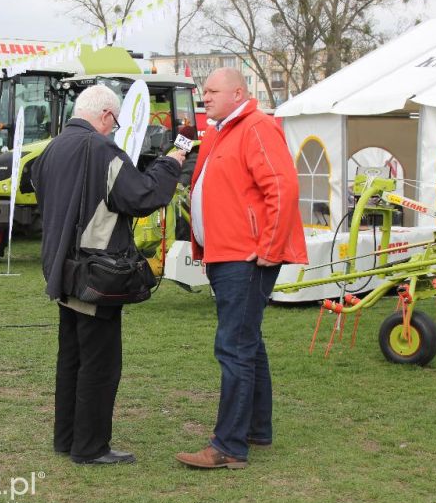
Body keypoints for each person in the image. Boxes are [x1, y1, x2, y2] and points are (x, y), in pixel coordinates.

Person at [31, 85, 186, 465]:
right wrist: (171, 163)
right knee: (100, 363)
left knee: (71, 358)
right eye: (114, 123)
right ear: (104, 116)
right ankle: (90, 447)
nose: (114, 131)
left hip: (62, 270)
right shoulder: (100, 150)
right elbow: (142, 197)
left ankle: (67, 439)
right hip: (94, 273)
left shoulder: (51, 149)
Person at [175, 68, 308, 469]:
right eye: (204, 91)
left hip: (245, 256)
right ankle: (256, 429)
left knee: (234, 346)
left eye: (212, 91)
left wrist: (269, 246)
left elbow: (282, 187)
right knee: (247, 342)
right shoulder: (221, 130)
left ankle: (229, 445)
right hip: (227, 252)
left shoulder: (256, 127)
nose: (205, 97)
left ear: (238, 93)